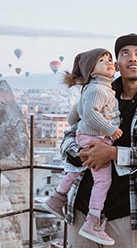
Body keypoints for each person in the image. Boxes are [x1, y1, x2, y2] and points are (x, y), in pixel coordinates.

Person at [62, 34, 137, 248]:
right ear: (116, 64)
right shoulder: (97, 92)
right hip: (82, 209)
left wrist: (113, 153)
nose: (132, 58)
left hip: (129, 215)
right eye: (125, 53)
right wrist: (81, 154)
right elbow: (68, 137)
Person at [42, 48, 122, 246]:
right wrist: (110, 129)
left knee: (77, 168)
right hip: (96, 137)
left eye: (110, 59)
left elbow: (74, 115)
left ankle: (56, 198)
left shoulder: (90, 88)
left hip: (85, 136)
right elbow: (90, 114)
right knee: (103, 180)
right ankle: (93, 221)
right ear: (91, 70)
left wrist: (79, 129)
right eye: (102, 60)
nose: (109, 62)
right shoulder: (99, 89)